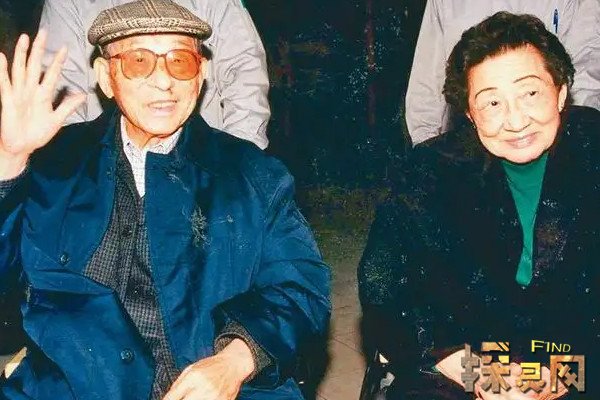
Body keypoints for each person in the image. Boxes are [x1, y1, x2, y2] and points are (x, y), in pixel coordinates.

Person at [0, 1, 330, 399]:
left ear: (201, 74)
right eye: (139, 61)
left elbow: (302, 288)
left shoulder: (253, 174)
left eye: (179, 61)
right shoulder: (55, 165)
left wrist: (235, 360)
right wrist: (9, 161)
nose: (163, 81)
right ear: (105, 77)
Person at [359, 11, 599, 399]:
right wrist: (480, 375)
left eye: (530, 93)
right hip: (464, 365)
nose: (515, 121)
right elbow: (384, 291)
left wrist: (564, 374)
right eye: (492, 103)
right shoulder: (428, 171)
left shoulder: (592, 152)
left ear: (561, 92)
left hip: (580, 365)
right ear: (470, 114)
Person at [39, 0, 271, 149]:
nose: (162, 81)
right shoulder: (68, 4)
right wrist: (78, 172)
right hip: (105, 159)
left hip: (201, 157)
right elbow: (62, 86)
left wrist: (240, 157)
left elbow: (245, 72)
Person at [405, 0, 600, 145]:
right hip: (473, 135)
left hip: (550, 135)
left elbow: (586, 74)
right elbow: (428, 79)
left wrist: (575, 143)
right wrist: (425, 143)